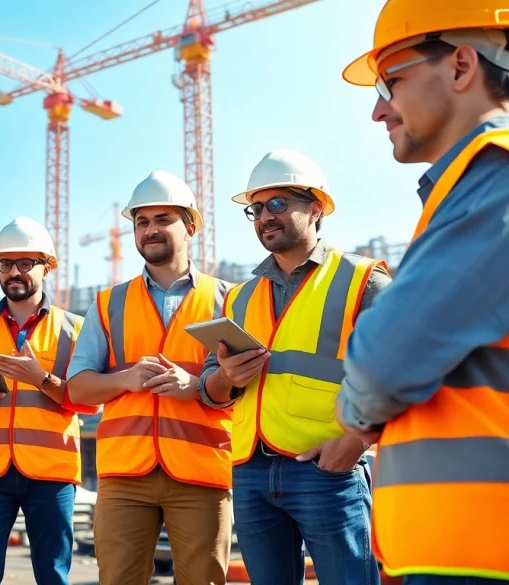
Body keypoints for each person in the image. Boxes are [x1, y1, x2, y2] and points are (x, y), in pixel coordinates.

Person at [337, 2, 509, 583]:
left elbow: (381, 364)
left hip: (480, 551)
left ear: (461, 65)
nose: (377, 109)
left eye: (392, 79)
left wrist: (355, 410)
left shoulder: (495, 180)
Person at [199, 150, 390, 585]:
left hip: (326, 470)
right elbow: (209, 391)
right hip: (250, 472)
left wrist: (358, 441)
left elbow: (406, 369)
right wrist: (225, 379)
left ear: (316, 208)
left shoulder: (363, 281)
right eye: (257, 208)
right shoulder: (238, 298)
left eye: (278, 203)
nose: (265, 215)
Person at [67, 171, 234, 585]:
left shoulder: (228, 298)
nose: (150, 229)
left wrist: (193, 388)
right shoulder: (108, 304)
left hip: (202, 471)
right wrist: (125, 380)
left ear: (190, 226)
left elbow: (243, 387)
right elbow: (78, 386)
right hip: (125, 477)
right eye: (142, 222)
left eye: (163, 219)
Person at [0, 217, 99, 585]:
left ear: (47, 267)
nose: (14, 272)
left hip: (52, 471)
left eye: (26, 263)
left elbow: (89, 403)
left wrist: (41, 379)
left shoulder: (74, 330)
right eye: (5, 264)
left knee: (53, 575)